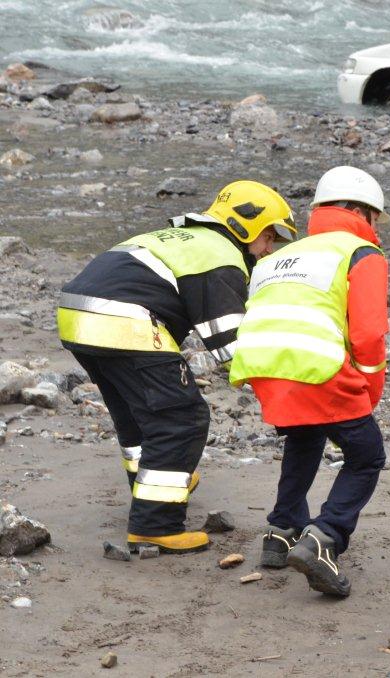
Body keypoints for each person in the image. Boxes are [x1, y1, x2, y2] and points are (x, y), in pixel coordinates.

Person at [57, 181, 296, 554]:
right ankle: (156, 525)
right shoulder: (220, 255)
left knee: (137, 412)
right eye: (268, 237)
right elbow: (232, 346)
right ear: (246, 225)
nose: (269, 249)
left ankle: (152, 486)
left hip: (75, 315)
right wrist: (286, 392)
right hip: (124, 320)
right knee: (181, 418)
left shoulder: (182, 237)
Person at [229, 167, 389, 598]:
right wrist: (368, 392)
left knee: (306, 436)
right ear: (361, 212)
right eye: (375, 218)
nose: (377, 228)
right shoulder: (361, 253)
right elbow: (368, 334)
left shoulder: (281, 256)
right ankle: (325, 537)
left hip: (263, 366)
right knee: (367, 455)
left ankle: (281, 531)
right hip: (316, 365)